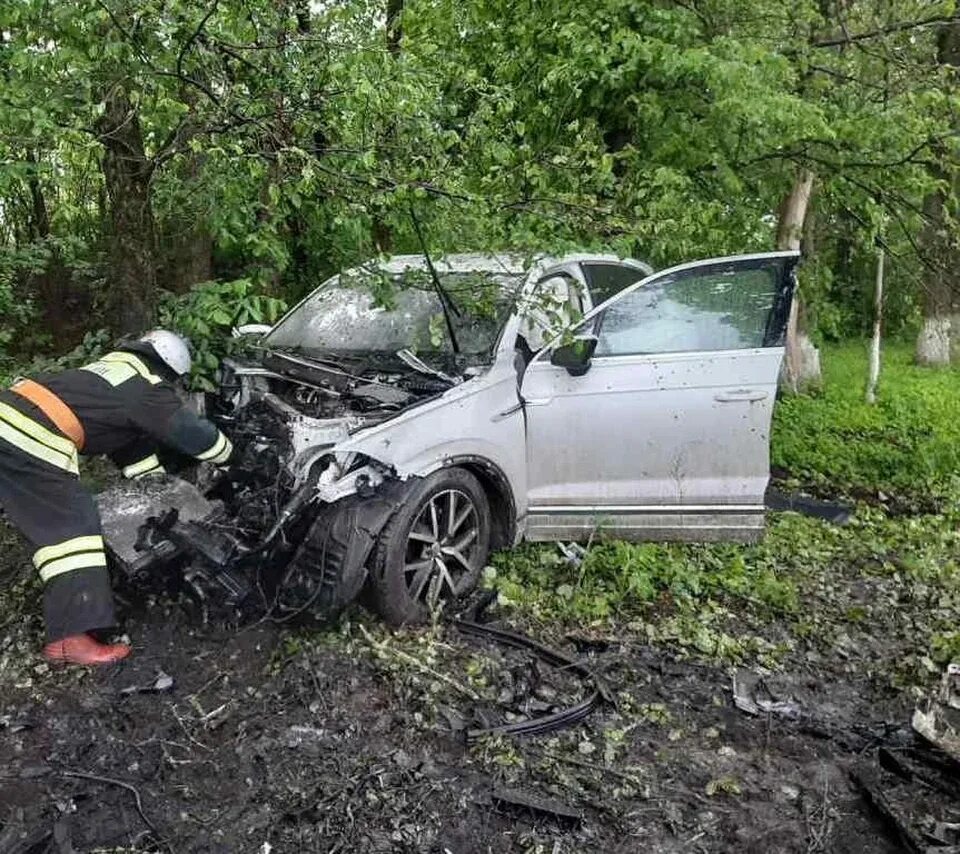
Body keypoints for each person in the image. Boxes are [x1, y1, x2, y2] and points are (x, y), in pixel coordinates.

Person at [0, 330, 234, 666]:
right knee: (73, 529)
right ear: (170, 370)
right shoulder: (147, 388)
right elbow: (193, 433)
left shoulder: (115, 371)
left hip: (11, 415)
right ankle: (68, 639)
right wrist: (232, 456)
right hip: (28, 434)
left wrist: (155, 485)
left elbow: (124, 437)